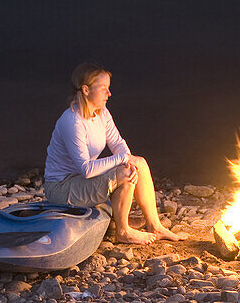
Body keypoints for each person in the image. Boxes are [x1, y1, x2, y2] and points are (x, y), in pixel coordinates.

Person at [44, 63, 181, 244]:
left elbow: (117, 143)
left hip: (82, 180)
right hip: (62, 187)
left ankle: (154, 225)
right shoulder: (72, 121)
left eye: (109, 88)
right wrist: (123, 160)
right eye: (104, 89)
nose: (109, 94)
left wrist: (130, 162)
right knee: (124, 171)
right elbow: (86, 169)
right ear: (86, 90)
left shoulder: (101, 113)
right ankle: (123, 232)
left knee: (139, 164)